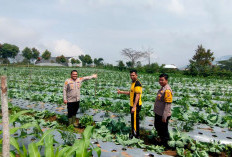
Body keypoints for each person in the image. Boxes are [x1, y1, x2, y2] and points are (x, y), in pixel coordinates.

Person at [117, 69, 142, 139]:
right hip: (132, 105)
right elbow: (130, 93)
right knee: (133, 120)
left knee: (135, 121)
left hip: (135, 105)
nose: (132, 77)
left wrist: (134, 107)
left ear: (136, 75)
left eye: (133, 75)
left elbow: (137, 96)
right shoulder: (133, 83)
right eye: (131, 75)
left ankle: (136, 136)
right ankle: (134, 134)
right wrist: (121, 92)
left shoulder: (137, 84)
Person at [154, 73, 173, 147]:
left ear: (166, 80)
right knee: (157, 126)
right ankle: (161, 140)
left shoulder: (167, 90)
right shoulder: (162, 88)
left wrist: (164, 117)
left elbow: (168, 105)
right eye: (159, 80)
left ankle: (165, 144)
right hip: (159, 113)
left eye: (162, 80)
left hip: (163, 115)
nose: (160, 81)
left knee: (163, 130)